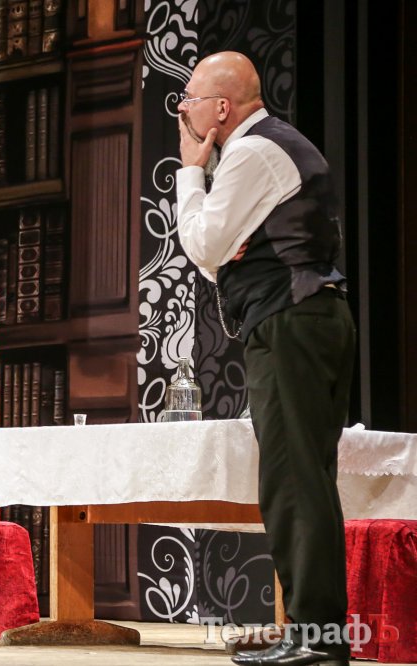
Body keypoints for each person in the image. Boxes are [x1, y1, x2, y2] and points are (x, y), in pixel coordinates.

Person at [175, 52, 355, 666]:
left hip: (290, 322)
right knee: (304, 477)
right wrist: (223, 247)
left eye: (191, 99)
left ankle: (317, 637)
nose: (184, 110)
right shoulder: (269, 146)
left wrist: (190, 174)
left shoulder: (251, 151)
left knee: (292, 479)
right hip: (310, 318)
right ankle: (316, 632)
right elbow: (217, 259)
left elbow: (204, 245)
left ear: (222, 108)